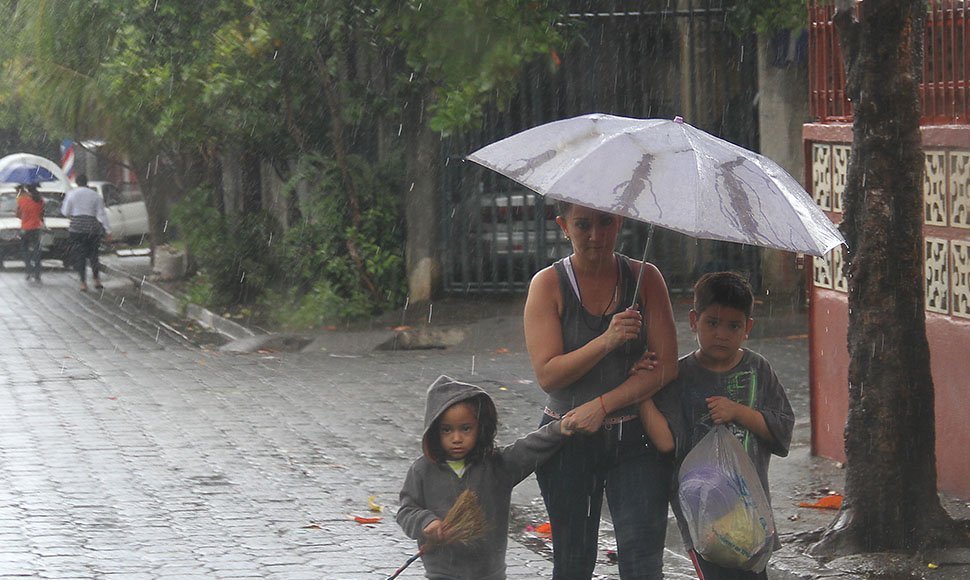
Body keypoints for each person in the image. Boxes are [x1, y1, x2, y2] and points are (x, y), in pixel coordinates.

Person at [523, 202, 679, 579]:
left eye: (606, 221)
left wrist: (603, 404)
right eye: (583, 225)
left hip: (636, 437)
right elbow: (549, 375)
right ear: (563, 226)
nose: (596, 235)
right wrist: (607, 341)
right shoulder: (548, 284)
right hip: (568, 436)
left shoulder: (645, 278)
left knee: (643, 562)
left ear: (620, 220)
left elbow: (666, 367)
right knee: (573, 562)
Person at [645, 271, 795, 580]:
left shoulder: (758, 370)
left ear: (748, 327)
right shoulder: (679, 376)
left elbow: (781, 432)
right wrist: (641, 394)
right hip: (701, 517)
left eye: (733, 326)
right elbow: (666, 442)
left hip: (750, 513)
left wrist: (738, 412)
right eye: (712, 323)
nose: (721, 334)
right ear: (693, 320)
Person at [396, 375, 572, 579]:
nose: (456, 438)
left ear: (480, 428)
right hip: (442, 573)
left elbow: (529, 448)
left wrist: (558, 429)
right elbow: (406, 510)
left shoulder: (497, 466)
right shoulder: (422, 470)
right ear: (434, 432)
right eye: (446, 430)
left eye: (465, 429)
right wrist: (426, 523)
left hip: (489, 574)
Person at [61, 174, 110, 291]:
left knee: (80, 255)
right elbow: (101, 214)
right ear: (86, 182)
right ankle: (96, 280)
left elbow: (65, 212)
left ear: (77, 183)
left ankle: (83, 282)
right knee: (94, 255)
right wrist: (108, 230)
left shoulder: (71, 194)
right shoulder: (95, 195)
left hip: (76, 228)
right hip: (92, 228)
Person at [15, 184, 45, 282]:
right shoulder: (40, 200)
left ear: (27, 190)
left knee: (24, 250)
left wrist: (24, 216)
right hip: (36, 228)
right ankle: (37, 273)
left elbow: (18, 214)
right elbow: (41, 215)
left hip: (25, 229)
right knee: (37, 250)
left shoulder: (22, 200)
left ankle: (28, 270)